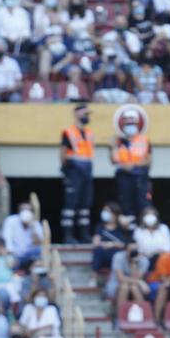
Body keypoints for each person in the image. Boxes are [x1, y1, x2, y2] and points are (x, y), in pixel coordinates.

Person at [60, 103, 95, 244]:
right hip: (74, 171)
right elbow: (63, 153)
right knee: (71, 204)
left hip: (87, 171)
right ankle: (68, 236)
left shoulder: (89, 133)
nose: (86, 117)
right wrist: (66, 170)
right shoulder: (68, 132)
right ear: (77, 114)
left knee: (85, 205)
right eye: (84, 114)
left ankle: (84, 235)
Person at [110, 109, 152, 219]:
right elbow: (114, 160)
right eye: (127, 123)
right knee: (126, 206)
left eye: (132, 123)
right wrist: (112, 146)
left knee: (143, 205)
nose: (130, 126)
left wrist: (133, 165)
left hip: (140, 177)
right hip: (124, 176)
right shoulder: (118, 141)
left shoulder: (144, 140)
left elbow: (148, 160)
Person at [91, 203, 131, 273]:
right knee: (98, 250)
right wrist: (104, 244)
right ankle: (94, 277)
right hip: (104, 253)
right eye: (104, 210)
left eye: (108, 211)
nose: (105, 213)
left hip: (117, 254)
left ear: (115, 214)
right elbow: (95, 243)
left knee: (119, 255)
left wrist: (112, 244)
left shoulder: (121, 227)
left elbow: (126, 244)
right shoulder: (100, 226)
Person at [2, 202, 43, 268]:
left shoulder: (36, 224)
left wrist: (33, 228)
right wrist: (11, 255)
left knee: (38, 260)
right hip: (13, 255)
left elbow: (37, 243)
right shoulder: (10, 220)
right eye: (23, 210)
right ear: (19, 212)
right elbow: (7, 240)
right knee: (9, 260)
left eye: (28, 210)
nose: (26, 212)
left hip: (29, 256)